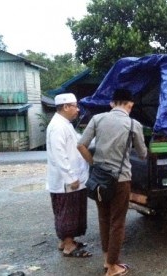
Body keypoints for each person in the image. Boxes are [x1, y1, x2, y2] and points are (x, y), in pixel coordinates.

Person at [77, 88, 148, 276]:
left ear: (111, 103)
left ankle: (107, 259)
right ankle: (113, 267)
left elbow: (81, 145)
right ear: (130, 104)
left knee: (104, 218)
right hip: (121, 180)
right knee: (117, 222)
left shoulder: (97, 119)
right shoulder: (134, 124)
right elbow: (142, 153)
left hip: (99, 178)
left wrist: (93, 164)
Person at [46, 93, 91, 258]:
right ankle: (69, 245)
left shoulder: (65, 124)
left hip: (71, 177)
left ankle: (65, 241)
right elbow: (59, 155)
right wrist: (70, 178)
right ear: (65, 107)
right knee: (67, 211)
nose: (78, 110)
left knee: (68, 210)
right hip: (66, 180)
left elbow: (77, 141)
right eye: (75, 106)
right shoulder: (58, 126)